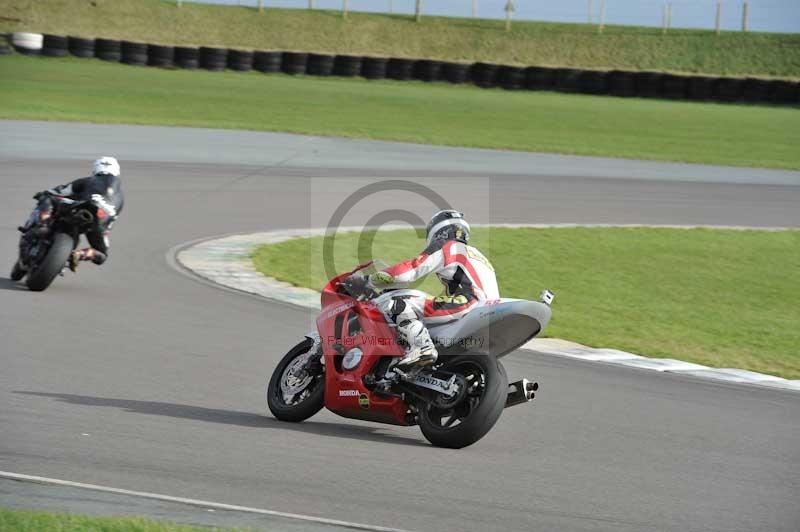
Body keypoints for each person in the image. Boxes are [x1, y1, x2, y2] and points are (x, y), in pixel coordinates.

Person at [359, 210, 499, 371]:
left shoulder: (447, 246)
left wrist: (369, 280)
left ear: (439, 231)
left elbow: (408, 272)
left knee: (398, 301)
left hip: (467, 304)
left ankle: (422, 347)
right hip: (487, 309)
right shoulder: (480, 256)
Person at [19, 156, 124, 272]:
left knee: (48, 199)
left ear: (96, 169)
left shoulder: (90, 180)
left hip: (79, 206)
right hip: (99, 222)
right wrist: (102, 229)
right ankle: (81, 254)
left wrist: (45, 193)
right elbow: (111, 221)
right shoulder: (121, 198)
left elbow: (62, 190)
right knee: (102, 255)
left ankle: (42, 224)